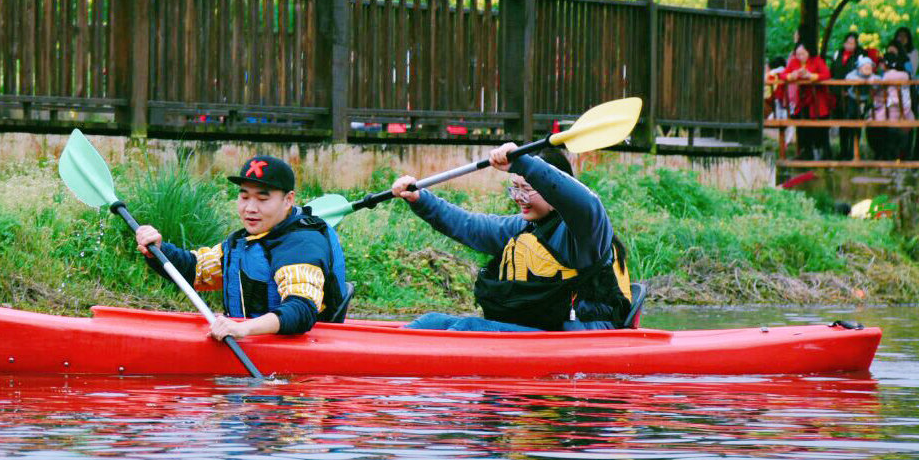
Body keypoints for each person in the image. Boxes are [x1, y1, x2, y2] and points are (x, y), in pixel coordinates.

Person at [389, 144, 631, 332]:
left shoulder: (584, 231)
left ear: (553, 189)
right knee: (431, 321)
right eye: (515, 188)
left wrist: (526, 165)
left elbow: (585, 202)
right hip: (540, 330)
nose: (518, 197)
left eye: (526, 189)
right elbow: (469, 226)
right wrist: (421, 200)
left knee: (468, 328)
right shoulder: (524, 227)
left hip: (582, 334)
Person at [133, 155, 348, 340]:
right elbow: (195, 270)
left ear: (288, 200)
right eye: (244, 197)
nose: (250, 208)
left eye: (262, 198)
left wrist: (243, 329)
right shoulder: (246, 240)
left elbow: (301, 309)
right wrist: (158, 249)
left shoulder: (302, 245)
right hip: (246, 338)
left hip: (299, 348)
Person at [781, 42, 834, 160]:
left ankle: (824, 154)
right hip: (803, 99)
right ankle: (805, 152)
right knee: (802, 127)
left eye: (803, 54)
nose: (800, 56)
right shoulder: (794, 61)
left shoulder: (817, 61)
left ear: (808, 53)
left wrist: (811, 76)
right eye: (798, 54)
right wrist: (792, 76)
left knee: (820, 127)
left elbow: (826, 74)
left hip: (818, 100)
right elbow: (783, 75)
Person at [869, 47, 914, 160]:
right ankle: (902, 154)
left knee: (871, 122)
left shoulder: (887, 77)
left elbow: (879, 97)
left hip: (890, 111)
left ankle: (881, 153)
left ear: (885, 64)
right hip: (906, 113)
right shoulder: (905, 75)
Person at [839, 54, 876, 160]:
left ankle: (854, 151)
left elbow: (877, 79)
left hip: (864, 100)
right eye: (865, 68)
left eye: (870, 68)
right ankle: (849, 150)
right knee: (851, 122)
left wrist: (871, 80)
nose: (868, 70)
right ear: (859, 68)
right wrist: (860, 80)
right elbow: (848, 77)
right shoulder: (854, 74)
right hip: (852, 99)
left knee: (859, 125)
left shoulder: (872, 76)